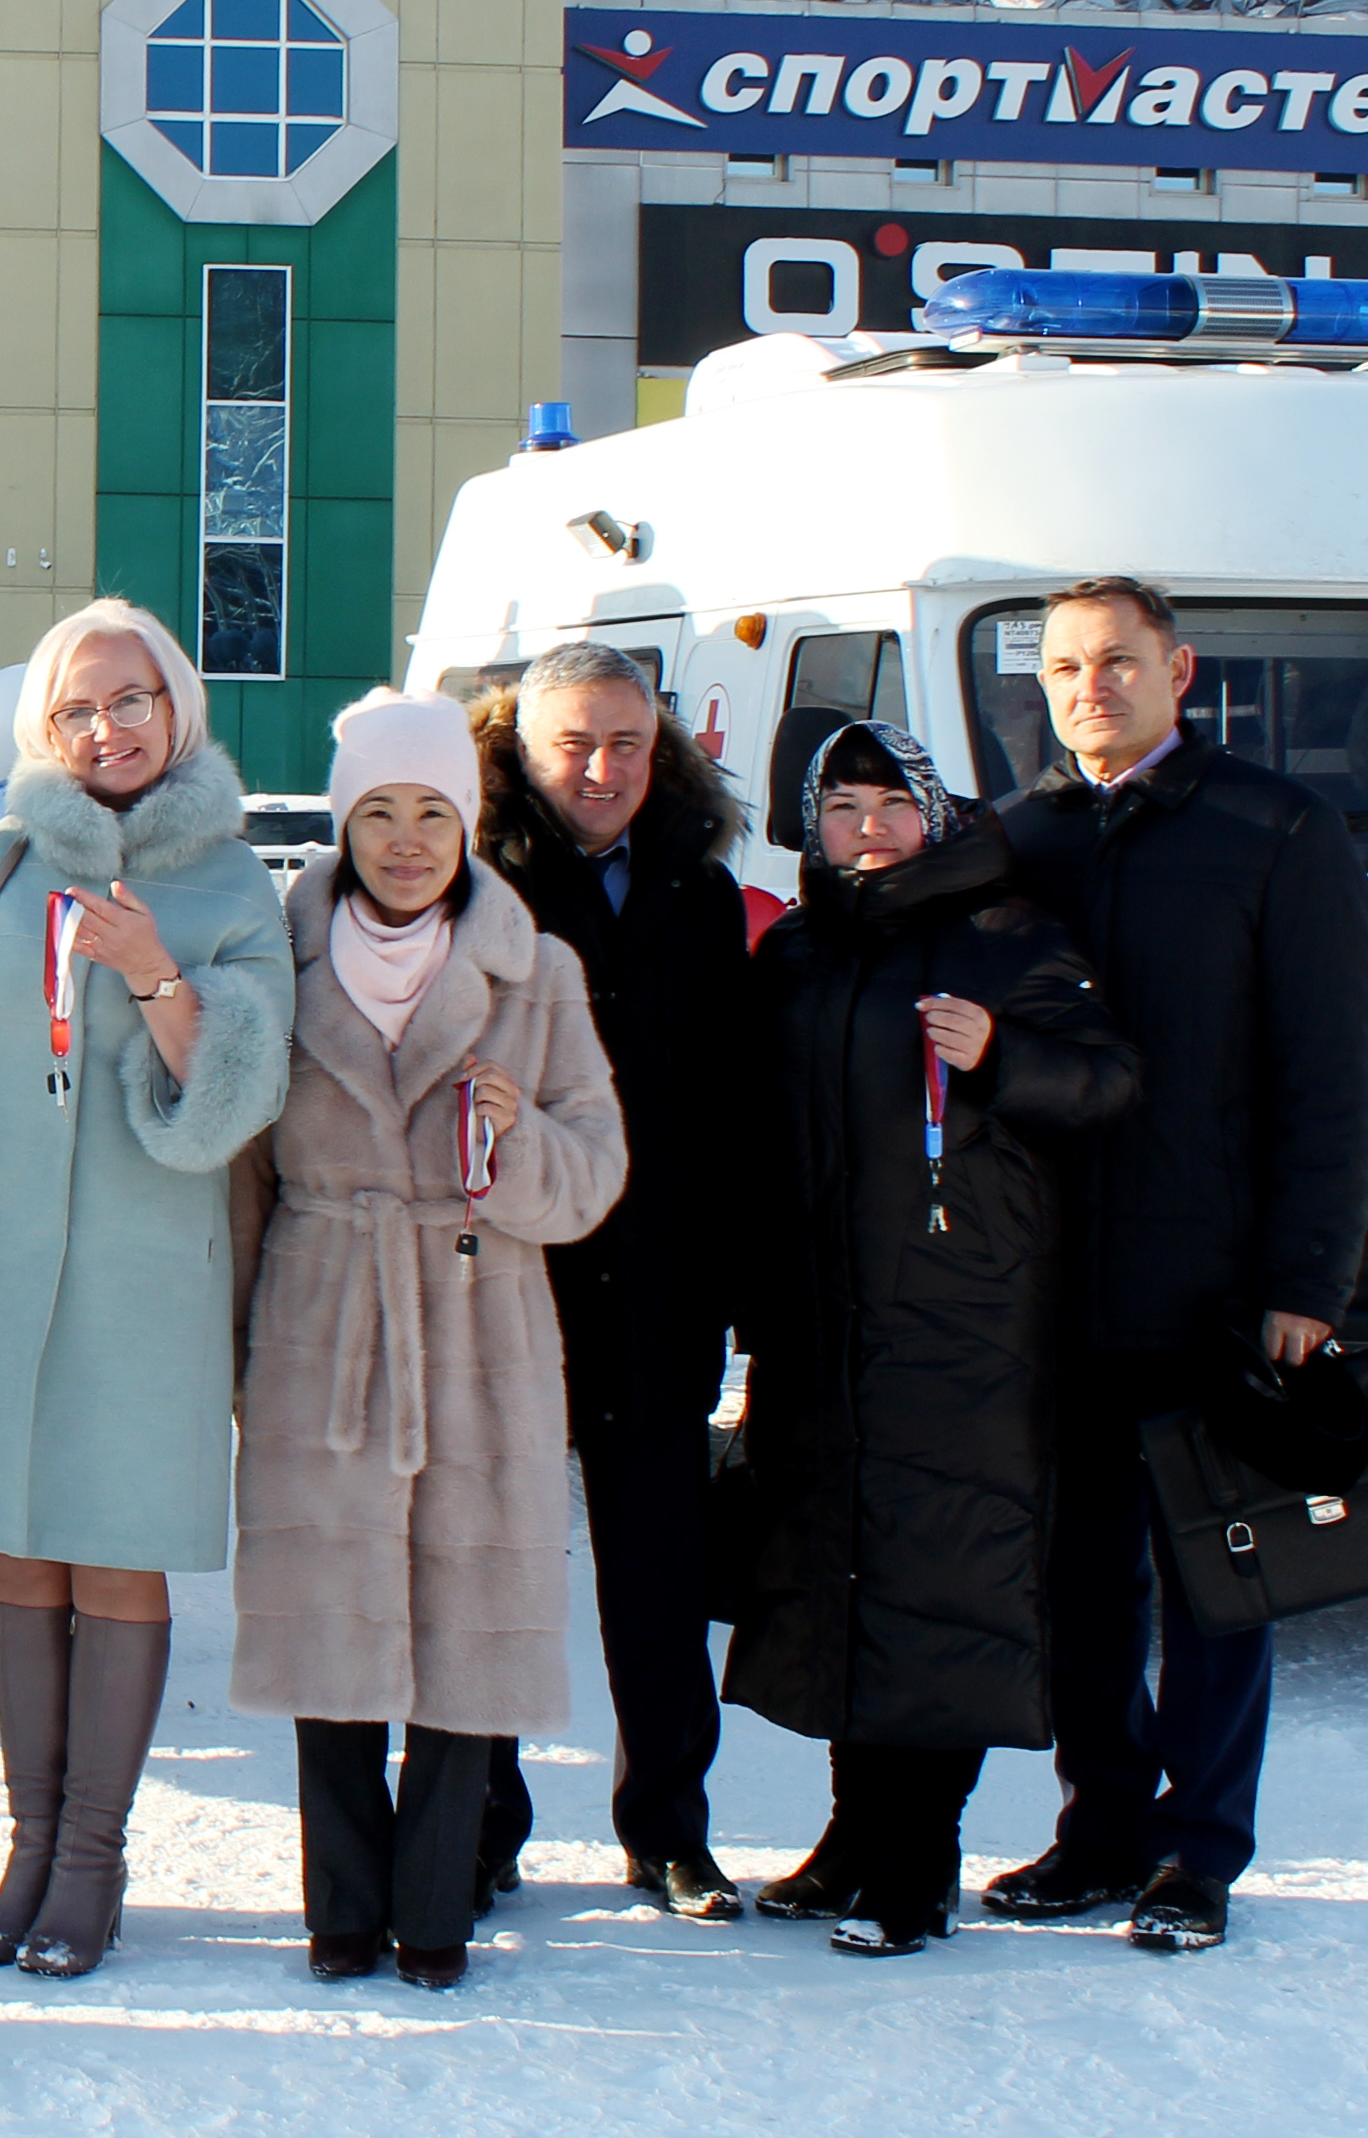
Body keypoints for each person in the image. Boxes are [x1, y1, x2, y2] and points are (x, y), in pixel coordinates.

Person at [0, 598, 289, 1981]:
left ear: (176, 706)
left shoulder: (234, 882)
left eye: (131, 699)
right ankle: (26, 1849)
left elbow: (240, 1101)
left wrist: (158, 979)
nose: (108, 727)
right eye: (79, 708)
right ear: (45, 726)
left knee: (118, 1559)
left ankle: (92, 1860)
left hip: (153, 1282)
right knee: (19, 1554)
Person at [983, 576, 1368, 1953]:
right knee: (1082, 1590)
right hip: (1057, 1296)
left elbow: (1334, 1079)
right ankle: (1099, 1831)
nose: (1090, 686)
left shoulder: (1274, 832)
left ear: (1180, 669)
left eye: (1118, 661)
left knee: (1224, 1584)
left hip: (1215, 1294)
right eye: (1064, 666)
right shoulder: (1020, 839)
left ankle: (1197, 1854)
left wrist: (1305, 1286)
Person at [232, 692, 623, 1991]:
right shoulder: (271, 965)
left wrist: (512, 1141)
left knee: (467, 1633)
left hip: (478, 1326)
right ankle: (341, 1910)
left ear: (467, 823)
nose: (407, 841)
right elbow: (244, 1183)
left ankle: (436, 1908)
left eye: (433, 814)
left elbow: (595, 1176)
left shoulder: (539, 971)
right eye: (380, 814)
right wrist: (239, 1351)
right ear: (344, 824)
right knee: (330, 1628)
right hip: (322, 1321)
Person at [726, 721, 1134, 1957]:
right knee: (850, 1576)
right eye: (840, 808)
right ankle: (853, 1838)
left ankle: (919, 1861)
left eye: (886, 805)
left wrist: (1006, 1054)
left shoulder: (1006, 936)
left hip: (967, 1327)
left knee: (943, 1580)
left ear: (933, 813)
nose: (864, 829)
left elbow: (1110, 1081)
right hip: (826, 1324)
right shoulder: (799, 948)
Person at [467, 642, 757, 1919]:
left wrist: (744, 1281)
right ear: (520, 747)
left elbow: (732, 1100)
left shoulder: (700, 886)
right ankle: (481, 1824)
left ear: (663, 747)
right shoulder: (477, 881)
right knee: (499, 1567)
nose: (599, 769)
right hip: (517, 1281)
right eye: (571, 743)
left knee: (660, 1578)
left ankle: (669, 1829)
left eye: (625, 743)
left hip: (660, 1283)